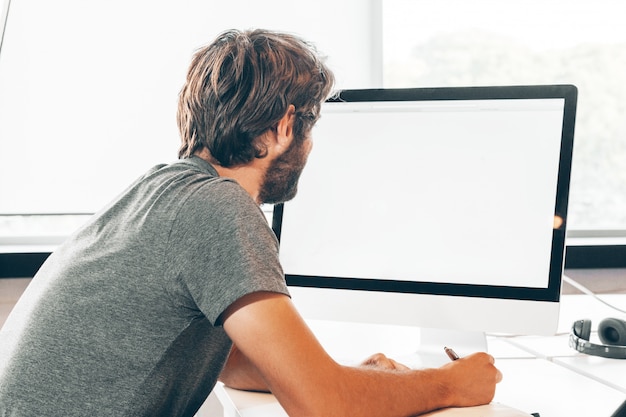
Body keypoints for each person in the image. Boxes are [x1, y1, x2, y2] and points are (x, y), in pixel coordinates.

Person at [0, 29, 501, 416]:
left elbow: (231, 361)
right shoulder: (219, 209)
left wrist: (343, 375)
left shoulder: (162, 189)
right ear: (285, 126)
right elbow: (322, 404)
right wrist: (450, 383)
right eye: (309, 128)